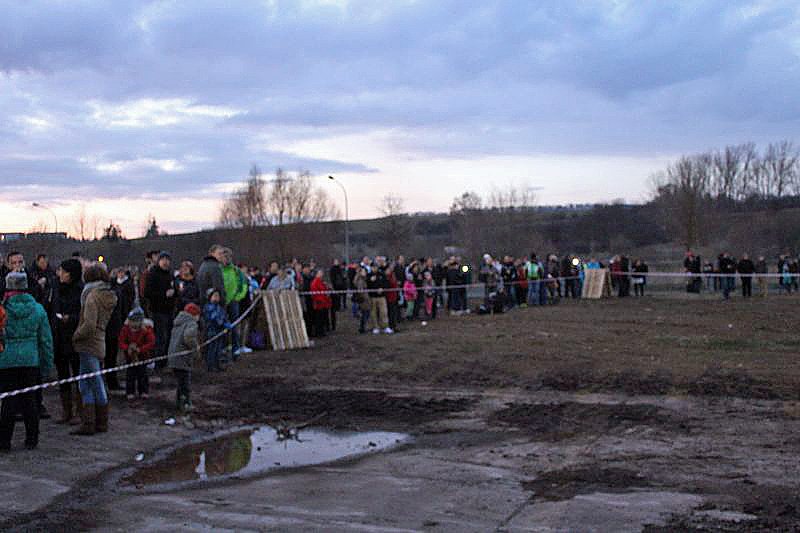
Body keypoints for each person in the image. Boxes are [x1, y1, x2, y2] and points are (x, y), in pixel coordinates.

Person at [0, 272, 53, 451]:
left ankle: (4, 441)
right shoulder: (38, 309)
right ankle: (32, 439)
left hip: (6, 359)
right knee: (30, 400)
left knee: (8, 402)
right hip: (31, 359)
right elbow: (45, 339)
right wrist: (47, 364)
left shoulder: (3, 309)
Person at [71, 263, 117, 436]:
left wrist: (75, 335)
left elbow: (89, 325)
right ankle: (94, 422)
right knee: (90, 383)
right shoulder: (107, 295)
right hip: (99, 341)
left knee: (92, 383)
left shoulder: (91, 297)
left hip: (88, 343)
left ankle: (93, 423)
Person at [51, 259, 83, 424]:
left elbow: (84, 315)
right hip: (59, 337)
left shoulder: (80, 291)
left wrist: (70, 319)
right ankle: (66, 410)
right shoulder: (56, 288)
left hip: (75, 337)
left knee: (78, 375)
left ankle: (80, 411)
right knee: (62, 374)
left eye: (63, 271)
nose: (60, 274)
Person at [144, 252, 176, 369]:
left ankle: (165, 361)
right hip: (158, 310)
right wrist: (163, 294)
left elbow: (174, 289)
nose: (166, 262)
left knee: (168, 337)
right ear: (159, 261)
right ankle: (158, 363)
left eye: (168, 260)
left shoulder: (170, 275)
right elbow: (147, 293)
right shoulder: (153, 274)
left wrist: (175, 292)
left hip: (169, 310)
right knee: (160, 338)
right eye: (163, 259)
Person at [168, 303, 201, 413]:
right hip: (182, 358)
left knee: (180, 382)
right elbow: (188, 337)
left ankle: (179, 402)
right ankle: (186, 403)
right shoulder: (191, 324)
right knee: (185, 383)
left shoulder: (178, 323)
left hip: (173, 356)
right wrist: (196, 348)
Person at [106, 268, 134, 391]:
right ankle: (111, 382)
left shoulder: (116, 290)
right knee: (111, 356)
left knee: (109, 356)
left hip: (110, 327)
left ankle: (110, 381)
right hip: (113, 327)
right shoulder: (117, 291)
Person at [118, 308, 155, 402]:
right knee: (130, 374)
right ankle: (130, 392)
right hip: (130, 357)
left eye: (135, 321)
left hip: (143, 356)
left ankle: (144, 391)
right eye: (131, 321)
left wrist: (140, 349)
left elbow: (151, 342)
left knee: (143, 374)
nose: (132, 324)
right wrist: (128, 348)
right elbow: (121, 341)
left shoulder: (146, 330)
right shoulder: (125, 329)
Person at [222, 249, 249, 358]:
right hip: (222, 302)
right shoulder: (218, 270)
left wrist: (238, 297)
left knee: (234, 326)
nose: (226, 259)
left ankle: (235, 349)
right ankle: (223, 348)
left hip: (233, 302)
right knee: (221, 326)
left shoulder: (236, 271)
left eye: (228, 256)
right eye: (224, 256)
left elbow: (244, 286)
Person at [203, 288, 230, 372]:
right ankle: (211, 365)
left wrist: (227, 323)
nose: (217, 298)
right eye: (215, 296)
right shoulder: (208, 307)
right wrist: (222, 323)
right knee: (212, 348)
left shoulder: (220, 307)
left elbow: (224, 316)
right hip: (212, 331)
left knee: (219, 348)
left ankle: (217, 364)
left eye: (218, 296)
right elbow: (212, 318)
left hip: (220, 331)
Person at [367, 264, 392, 334]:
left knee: (384, 312)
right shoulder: (368, 275)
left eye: (376, 267)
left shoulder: (382, 274)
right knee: (373, 313)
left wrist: (383, 288)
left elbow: (387, 283)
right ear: (371, 268)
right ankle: (376, 327)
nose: (375, 268)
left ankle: (385, 326)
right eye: (373, 267)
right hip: (372, 297)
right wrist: (370, 280)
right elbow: (366, 285)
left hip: (382, 296)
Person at [310, 269, 332, 337]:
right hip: (319, 303)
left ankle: (322, 331)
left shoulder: (321, 281)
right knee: (319, 319)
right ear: (317, 274)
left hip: (324, 302)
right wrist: (321, 300)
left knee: (323, 319)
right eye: (320, 273)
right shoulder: (315, 282)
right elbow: (315, 294)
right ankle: (319, 332)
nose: (322, 274)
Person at [353, 267, 371, 334]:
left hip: (365, 298)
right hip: (363, 299)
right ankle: (362, 328)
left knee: (365, 313)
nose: (365, 273)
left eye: (365, 272)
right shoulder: (360, 280)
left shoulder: (363, 279)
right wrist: (364, 298)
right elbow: (360, 290)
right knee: (365, 313)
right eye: (363, 271)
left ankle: (363, 327)